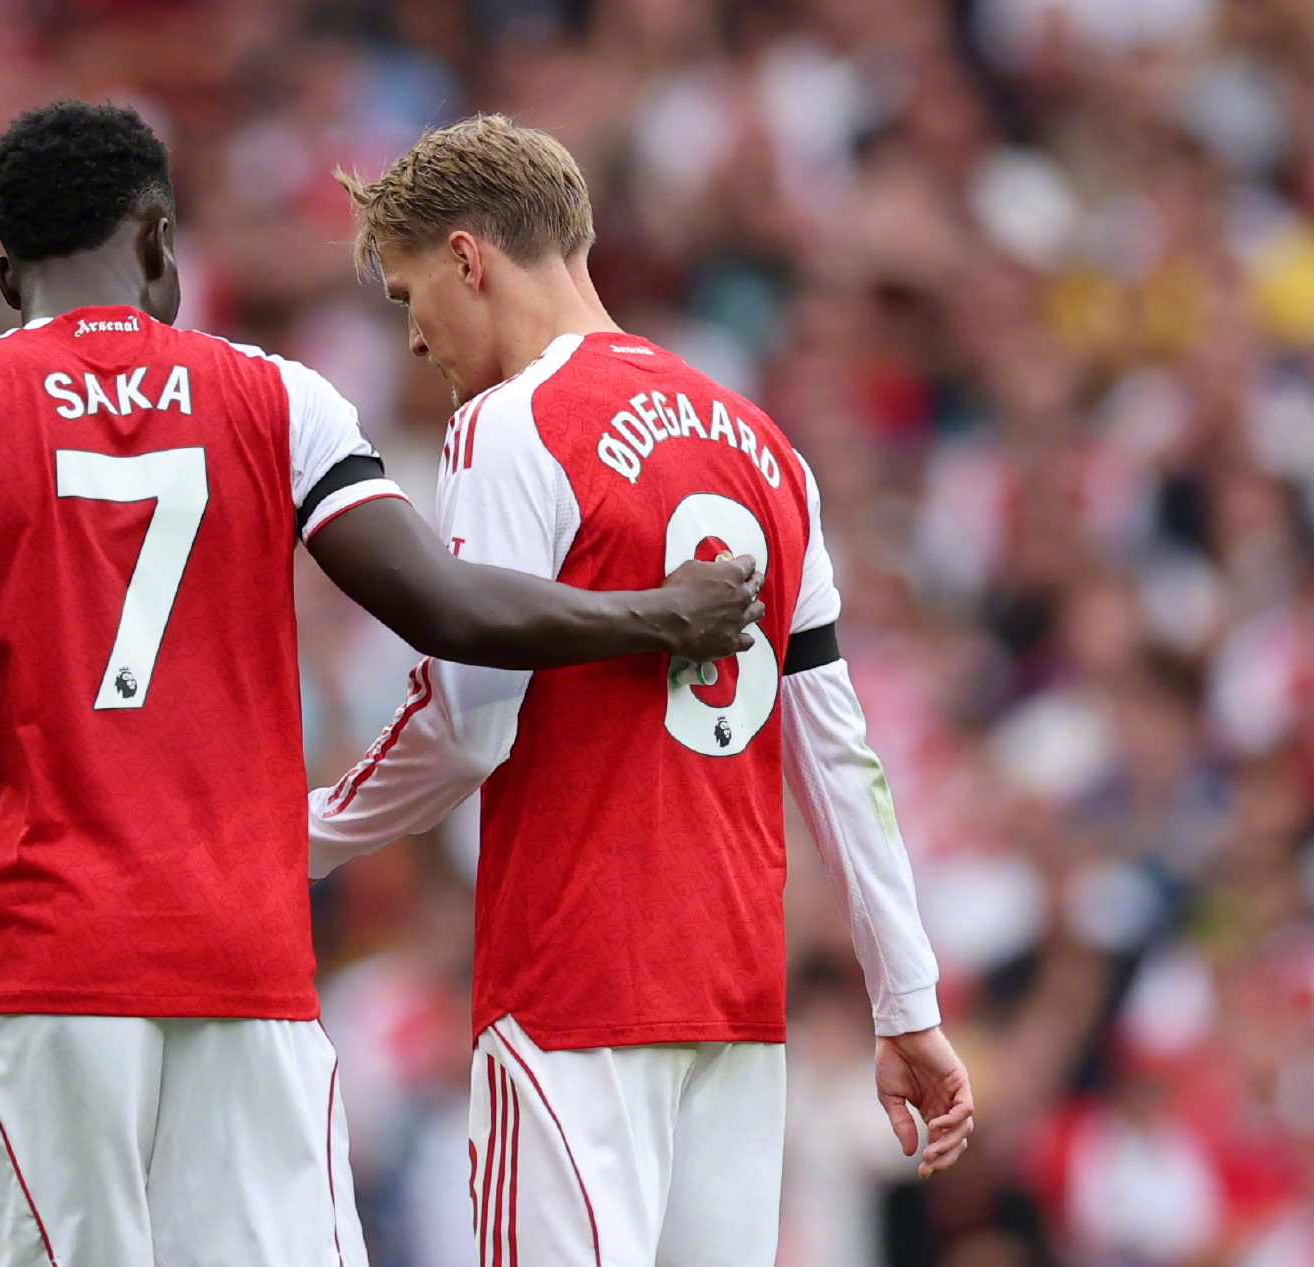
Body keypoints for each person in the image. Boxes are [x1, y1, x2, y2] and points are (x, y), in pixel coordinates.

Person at [0, 101, 765, 1267]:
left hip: (41, 962)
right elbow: (441, 605)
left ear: (6, 276)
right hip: (244, 958)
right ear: (158, 242)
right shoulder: (279, 397)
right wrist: (656, 613)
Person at [310, 115, 977, 1266]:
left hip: (574, 983)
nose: (413, 339)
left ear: (468, 259)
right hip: (733, 997)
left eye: (409, 294)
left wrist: (298, 837)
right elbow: (837, 751)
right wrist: (905, 999)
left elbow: (466, 725)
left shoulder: (508, 424)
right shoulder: (764, 447)